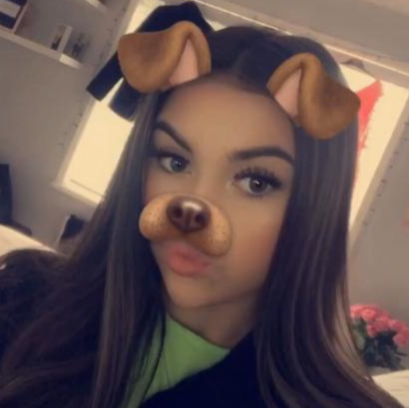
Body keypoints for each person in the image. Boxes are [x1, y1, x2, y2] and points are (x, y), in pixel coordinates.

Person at [0, 4, 404, 408]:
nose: (193, 206)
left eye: (255, 182)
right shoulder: (22, 301)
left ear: (313, 209)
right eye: (175, 162)